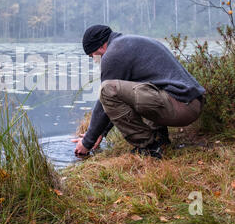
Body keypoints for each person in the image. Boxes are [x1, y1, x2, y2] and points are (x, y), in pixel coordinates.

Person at [73, 25, 206, 159]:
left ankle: (149, 146)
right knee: (136, 87)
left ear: (101, 47)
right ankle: (160, 139)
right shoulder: (127, 43)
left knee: (107, 89)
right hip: (191, 102)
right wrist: (101, 132)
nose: (95, 61)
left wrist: (87, 142)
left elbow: (105, 100)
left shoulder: (114, 54)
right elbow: (120, 100)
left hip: (181, 106)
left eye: (93, 56)